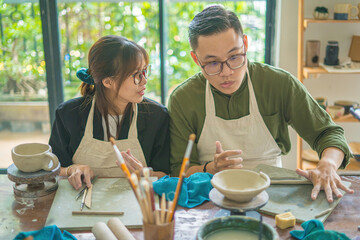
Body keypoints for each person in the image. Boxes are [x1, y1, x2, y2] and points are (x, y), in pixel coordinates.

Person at [168, 5, 354, 203]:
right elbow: (180, 170)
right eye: (213, 63)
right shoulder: (183, 99)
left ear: (245, 44)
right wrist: (210, 169)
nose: (227, 72)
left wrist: (327, 164)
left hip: (272, 193)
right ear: (196, 59)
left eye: (234, 57)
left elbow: (329, 134)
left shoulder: (278, 84)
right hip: (209, 197)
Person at [49, 35, 170, 190]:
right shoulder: (68, 114)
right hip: (81, 204)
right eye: (136, 75)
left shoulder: (157, 116)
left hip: (138, 204)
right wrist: (71, 169)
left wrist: (143, 173)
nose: (144, 80)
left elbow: (168, 174)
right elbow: (52, 169)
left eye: (145, 71)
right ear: (107, 81)